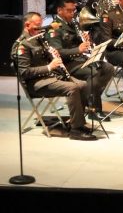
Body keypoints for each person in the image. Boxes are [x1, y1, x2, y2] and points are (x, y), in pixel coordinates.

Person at [12, 12, 93, 140]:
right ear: (27, 25)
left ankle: (77, 122)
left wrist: (53, 54)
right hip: (36, 83)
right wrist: (50, 66)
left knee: (82, 84)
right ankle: (76, 130)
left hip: (50, 77)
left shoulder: (37, 38)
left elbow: (44, 57)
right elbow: (24, 72)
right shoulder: (22, 45)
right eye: (37, 26)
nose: (40, 29)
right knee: (72, 88)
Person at [47, 0, 115, 122]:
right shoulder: (53, 28)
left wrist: (86, 40)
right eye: (69, 10)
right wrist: (77, 50)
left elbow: (80, 42)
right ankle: (93, 109)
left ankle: (90, 97)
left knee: (108, 68)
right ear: (59, 10)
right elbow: (57, 52)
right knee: (94, 73)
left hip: (81, 60)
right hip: (67, 64)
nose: (72, 13)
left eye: (74, 10)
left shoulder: (74, 23)